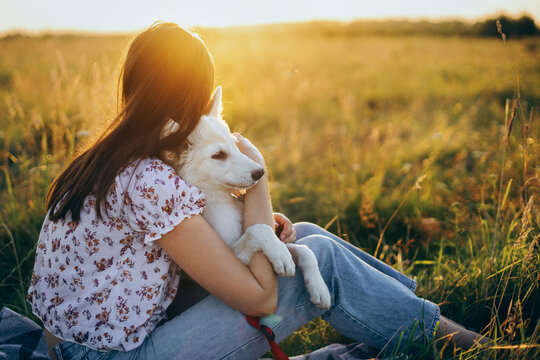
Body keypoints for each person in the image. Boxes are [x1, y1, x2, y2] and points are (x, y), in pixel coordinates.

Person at [27, 22, 487, 360]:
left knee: (302, 234)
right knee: (318, 260)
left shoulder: (101, 159)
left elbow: (158, 266)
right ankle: (471, 349)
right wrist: (256, 169)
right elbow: (261, 299)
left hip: (77, 343)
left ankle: (411, 322)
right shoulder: (148, 180)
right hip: (111, 356)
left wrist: (257, 224)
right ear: (189, 100)